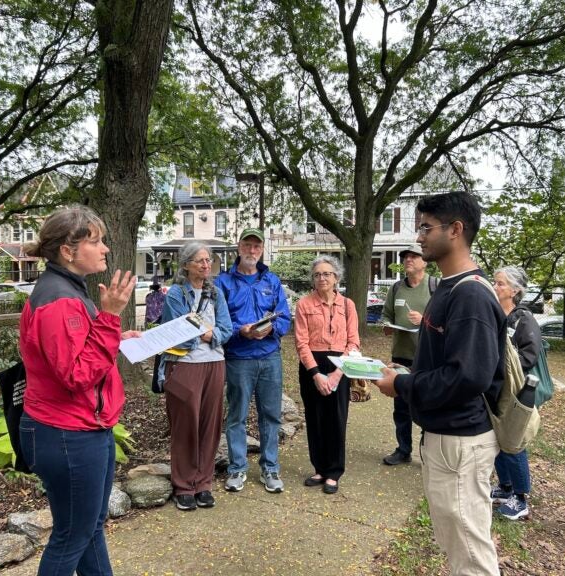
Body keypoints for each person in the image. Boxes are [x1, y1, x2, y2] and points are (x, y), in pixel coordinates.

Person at [374, 192, 504, 576]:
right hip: (444, 437)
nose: (419, 237)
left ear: (457, 230)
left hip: (462, 442)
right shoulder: (447, 287)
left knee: (470, 552)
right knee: (456, 543)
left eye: (427, 227)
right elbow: (446, 365)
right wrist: (404, 376)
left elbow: (469, 376)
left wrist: (403, 386)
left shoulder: (472, 296)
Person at [18, 206, 138, 576]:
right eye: (96, 241)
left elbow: (76, 352)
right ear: (68, 251)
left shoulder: (67, 290)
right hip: (68, 433)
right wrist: (111, 317)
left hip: (83, 428)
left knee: (88, 528)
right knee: (72, 535)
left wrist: (114, 336)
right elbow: (76, 375)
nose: (104, 248)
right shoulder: (61, 301)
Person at [215, 228, 292, 494]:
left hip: (270, 357)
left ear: (262, 250)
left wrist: (273, 328)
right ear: (239, 248)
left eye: (256, 246)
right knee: (236, 415)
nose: (252, 251)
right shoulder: (223, 283)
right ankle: (237, 469)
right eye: (247, 245)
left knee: (270, 415)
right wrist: (241, 330)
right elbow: (218, 321)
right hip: (238, 358)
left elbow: (284, 317)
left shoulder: (271, 280)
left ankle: (270, 468)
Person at [159, 243, 232, 511]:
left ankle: (203, 483)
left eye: (208, 260)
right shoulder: (176, 294)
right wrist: (205, 332)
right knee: (185, 423)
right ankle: (183, 485)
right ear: (186, 264)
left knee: (210, 425)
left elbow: (226, 328)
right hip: (185, 364)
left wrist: (211, 334)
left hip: (215, 362)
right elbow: (178, 330)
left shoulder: (217, 293)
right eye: (200, 260)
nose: (205, 265)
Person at [294, 256, 361, 494]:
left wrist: (336, 374)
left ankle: (334, 471)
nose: (322, 278)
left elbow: (353, 342)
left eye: (327, 274)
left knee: (336, 419)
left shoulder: (348, 305)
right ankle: (319, 468)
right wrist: (316, 374)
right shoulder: (304, 304)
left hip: (340, 366)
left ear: (336, 278)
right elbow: (301, 343)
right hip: (312, 366)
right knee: (316, 418)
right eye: (317, 274)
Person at [490, 266, 542, 520]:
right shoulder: (495, 313)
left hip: (516, 390)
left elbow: (530, 354)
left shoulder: (524, 319)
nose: (495, 287)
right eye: (495, 282)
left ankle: (520, 498)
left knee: (514, 442)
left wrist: (504, 367)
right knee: (498, 438)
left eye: (500, 284)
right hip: (495, 388)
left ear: (515, 290)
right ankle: (505, 486)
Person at [381, 244, 435, 466]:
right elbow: (385, 317)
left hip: (427, 357)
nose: (408, 260)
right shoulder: (396, 289)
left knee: (427, 406)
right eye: (405, 257)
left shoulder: (436, 287)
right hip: (401, 356)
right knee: (401, 407)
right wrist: (387, 326)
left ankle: (429, 453)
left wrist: (424, 321)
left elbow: (447, 322)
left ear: (425, 261)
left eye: (414, 256)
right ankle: (403, 450)